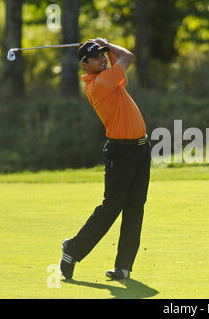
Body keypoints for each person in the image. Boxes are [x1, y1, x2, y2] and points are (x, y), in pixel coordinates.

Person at [59, 38, 151, 281]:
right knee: (111, 208)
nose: (101, 58)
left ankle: (123, 268)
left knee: (135, 208)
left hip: (141, 150)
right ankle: (72, 250)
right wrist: (108, 45)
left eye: (102, 55)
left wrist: (105, 49)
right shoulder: (98, 84)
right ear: (85, 65)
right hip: (121, 153)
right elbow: (128, 57)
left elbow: (121, 64)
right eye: (95, 56)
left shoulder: (110, 79)